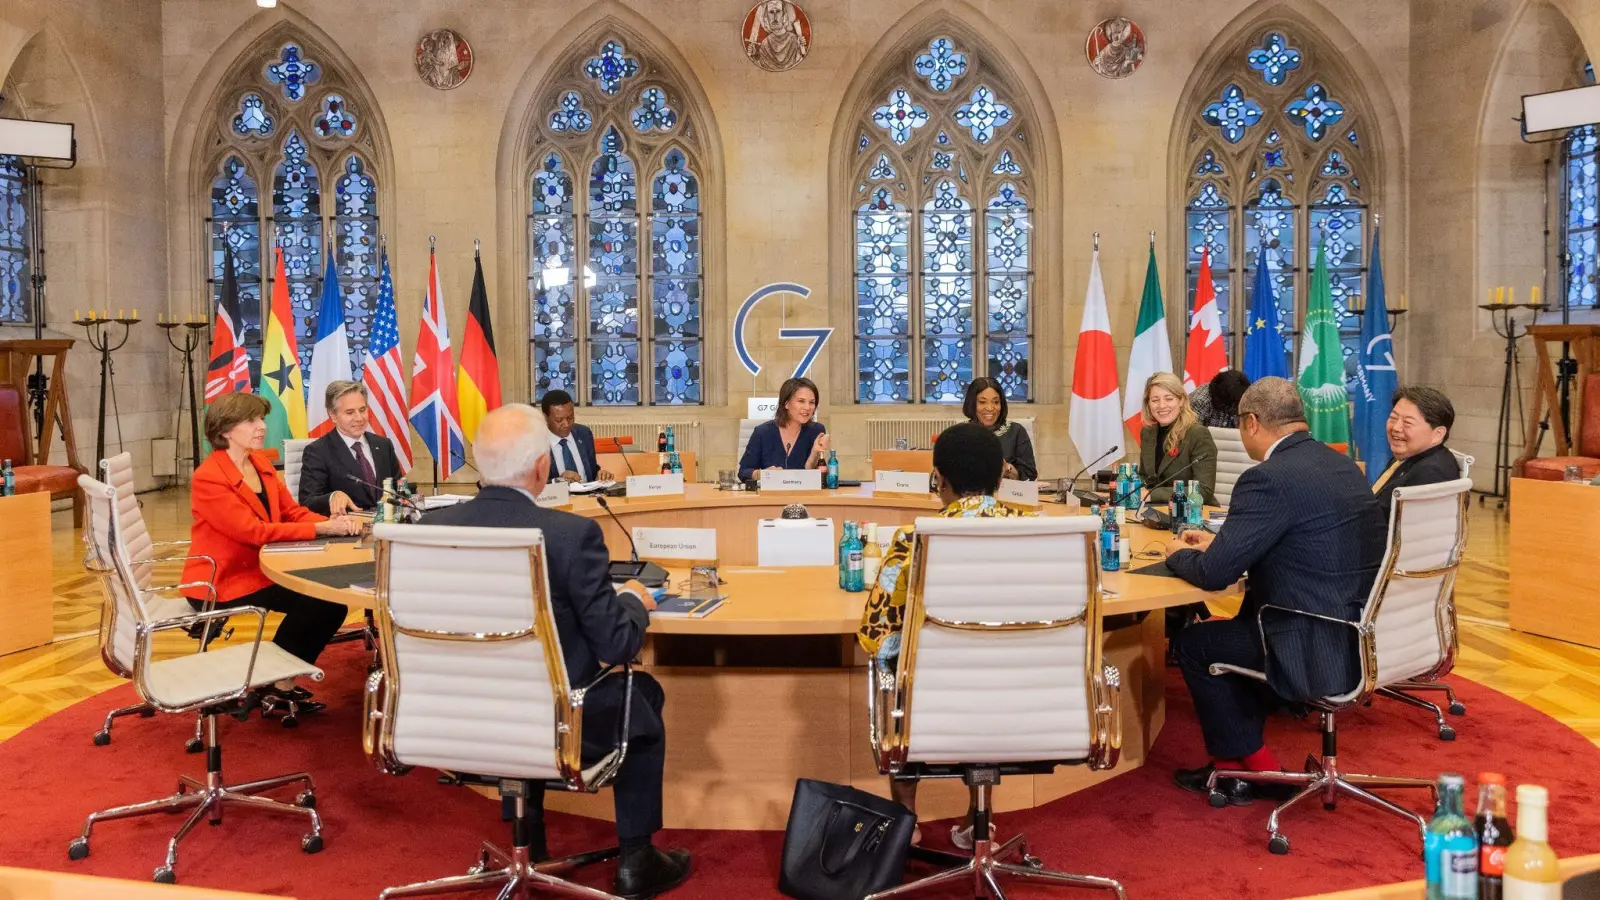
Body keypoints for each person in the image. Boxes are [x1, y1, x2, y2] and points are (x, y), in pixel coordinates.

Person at [421, 405, 691, 898]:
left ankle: (532, 842)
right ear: (543, 466)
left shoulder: (426, 531)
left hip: (453, 717)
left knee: (522, 684)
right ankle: (636, 858)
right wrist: (633, 599)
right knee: (641, 694)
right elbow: (618, 644)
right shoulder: (570, 536)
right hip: (554, 722)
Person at [1162, 378, 1386, 804]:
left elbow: (1213, 575)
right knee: (1236, 630)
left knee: (1195, 644)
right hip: (1358, 631)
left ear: (1251, 423)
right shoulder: (1342, 464)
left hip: (1308, 637)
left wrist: (1176, 553)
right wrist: (1224, 543)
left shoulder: (1266, 478)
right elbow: (1304, 537)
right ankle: (1242, 763)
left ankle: (1252, 768)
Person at [858, 422, 1033, 849]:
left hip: (935, 692)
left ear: (939, 480)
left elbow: (874, 635)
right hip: (1021, 690)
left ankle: (906, 823)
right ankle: (980, 821)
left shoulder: (912, 540)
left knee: (895, 670)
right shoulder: (1038, 533)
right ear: (1000, 479)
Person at [183, 393, 363, 713]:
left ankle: (278, 686)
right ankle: (274, 684)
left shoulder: (260, 462)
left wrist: (333, 522)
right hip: (221, 581)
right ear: (225, 430)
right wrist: (321, 530)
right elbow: (254, 532)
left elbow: (292, 513)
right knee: (320, 604)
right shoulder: (209, 478)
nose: (261, 426)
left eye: (261, 419)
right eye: (251, 420)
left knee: (330, 602)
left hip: (260, 569)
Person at [297, 381, 406, 515]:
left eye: (362, 410)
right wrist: (332, 497)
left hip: (387, 527)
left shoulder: (384, 445)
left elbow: (398, 489)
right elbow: (308, 502)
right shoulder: (318, 451)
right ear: (333, 415)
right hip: (348, 530)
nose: (359, 418)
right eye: (350, 412)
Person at [1372, 386, 1460, 513]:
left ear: (1438, 434)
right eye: (1393, 418)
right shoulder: (1408, 456)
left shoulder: (1432, 473)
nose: (1396, 427)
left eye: (1407, 423)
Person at [1137, 372, 1218, 506]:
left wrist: (1151, 495)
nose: (1161, 405)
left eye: (1169, 399)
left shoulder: (1197, 434)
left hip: (1193, 512)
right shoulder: (1147, 433)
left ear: (1181, 400)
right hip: (1156, 510)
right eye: (1155, 400)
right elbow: (1145, 477)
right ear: (1148, 404)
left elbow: (1204, 490)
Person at [738, 376, 830, 480]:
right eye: (801, 401)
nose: (807, 407)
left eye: (812, 402)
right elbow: (743, 472)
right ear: (786, 403)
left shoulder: (816, 431)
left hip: (803, 494)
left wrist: (815, 454)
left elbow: (816, 477)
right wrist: (762, 474)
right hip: (771, 494)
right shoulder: (762, 432)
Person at [962, 376, 1036, 481]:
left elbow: (1030, 474)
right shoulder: (958, 433)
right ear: (972, 404)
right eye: (982, 402)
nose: (990, 408)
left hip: (1007, 495)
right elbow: (944, 474)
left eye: (995, 402)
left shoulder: (1016, 431)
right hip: (969, 495)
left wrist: (1009, 470)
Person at [539, 389, 615, 483]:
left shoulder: (584, 434)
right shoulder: (535, 443)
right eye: (559, 420)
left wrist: (601, 475)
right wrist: (557, 481)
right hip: (558, 497)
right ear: (545, 417)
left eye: (570, 418)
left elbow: (592, 471)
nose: (566, 424)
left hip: (588, 496)